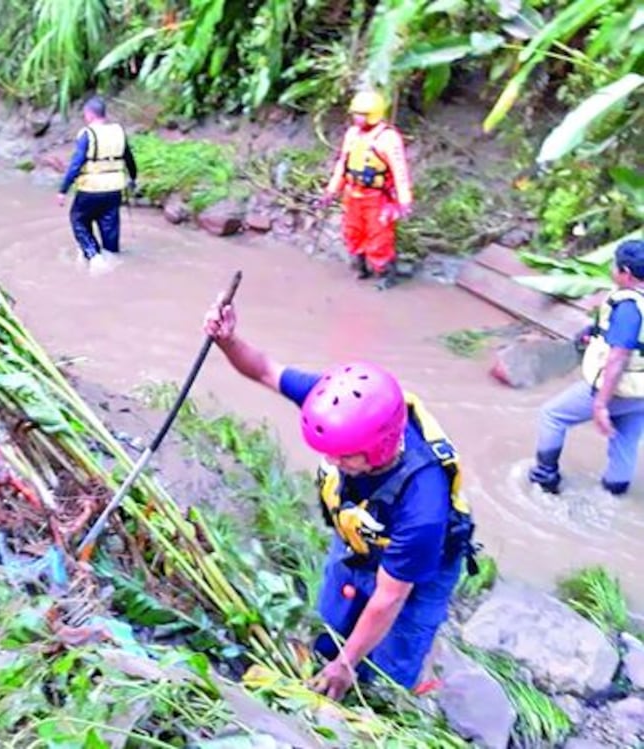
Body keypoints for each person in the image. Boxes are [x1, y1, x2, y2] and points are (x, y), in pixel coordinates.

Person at [204, 298, 477, 697]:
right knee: (329, 630)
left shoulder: (423, 507)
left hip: (418, 570)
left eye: (341, 456)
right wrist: (228, 341)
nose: (329, 460)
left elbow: (389, 597)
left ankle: (380, 703)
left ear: (379, 448)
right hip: (361, 536)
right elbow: (263, 369)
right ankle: (332, 660)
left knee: (387, 669)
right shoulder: (337, 404)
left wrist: (347, 666)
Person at [529, 239, 644, 497]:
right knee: (626, 439)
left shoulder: (628, 306)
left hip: (619, 388)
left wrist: (601, 404)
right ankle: (615, 492)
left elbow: (619, 357)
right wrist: (593, 332)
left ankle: (545, 478)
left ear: (625, 273)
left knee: (552, 415)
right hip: (642, 394)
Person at [319, 91, 413, 290]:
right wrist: (331, 190)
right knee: (352, 232)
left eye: (361, 114)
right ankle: (361, 266)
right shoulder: (352, 134)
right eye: (355, 113)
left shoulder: (387, 138)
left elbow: (399, 171)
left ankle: (385, 273)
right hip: (353, 194)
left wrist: (404, 200)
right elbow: (343, 165)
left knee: (379, 237)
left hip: (377, 197)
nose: (357, 118)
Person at [56, 96, 138, 263]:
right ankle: (112, 256)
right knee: (110, 226)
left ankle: (93, 255)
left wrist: (63, 190)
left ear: (89, 115)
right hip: (115, 189)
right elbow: (129, 159)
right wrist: (133, 178)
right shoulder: (118, 132)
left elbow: (76, 164)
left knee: (78, 219)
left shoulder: (88, 134)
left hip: (90, 189)